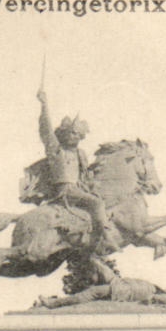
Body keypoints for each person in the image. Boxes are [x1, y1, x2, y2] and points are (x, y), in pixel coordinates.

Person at [35, 87, 122, 252]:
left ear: (81, 137)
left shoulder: (81, 154)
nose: (72, 136)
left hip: (78, 189)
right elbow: (46, 130)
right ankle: (106, 236)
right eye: (70, 133)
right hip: (65, 190)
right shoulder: (56, 150)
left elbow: (85, 176)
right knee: (97, 203)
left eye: (76, 134)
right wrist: (44, 105)